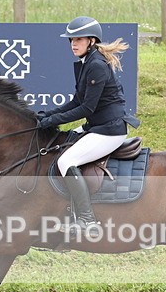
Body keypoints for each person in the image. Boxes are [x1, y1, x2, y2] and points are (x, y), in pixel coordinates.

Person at [37, 16, 139, 237]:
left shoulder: (96, 65)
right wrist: (49, 113)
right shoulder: (87, 62)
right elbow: (77, 100)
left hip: (109, 130)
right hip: (97, 126)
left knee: (66, 161)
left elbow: (86, 108)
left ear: (91, 41)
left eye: (79, 39)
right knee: (61, 145)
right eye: (71, 40)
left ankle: (87, 220)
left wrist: (53, 121)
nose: (73, 44)